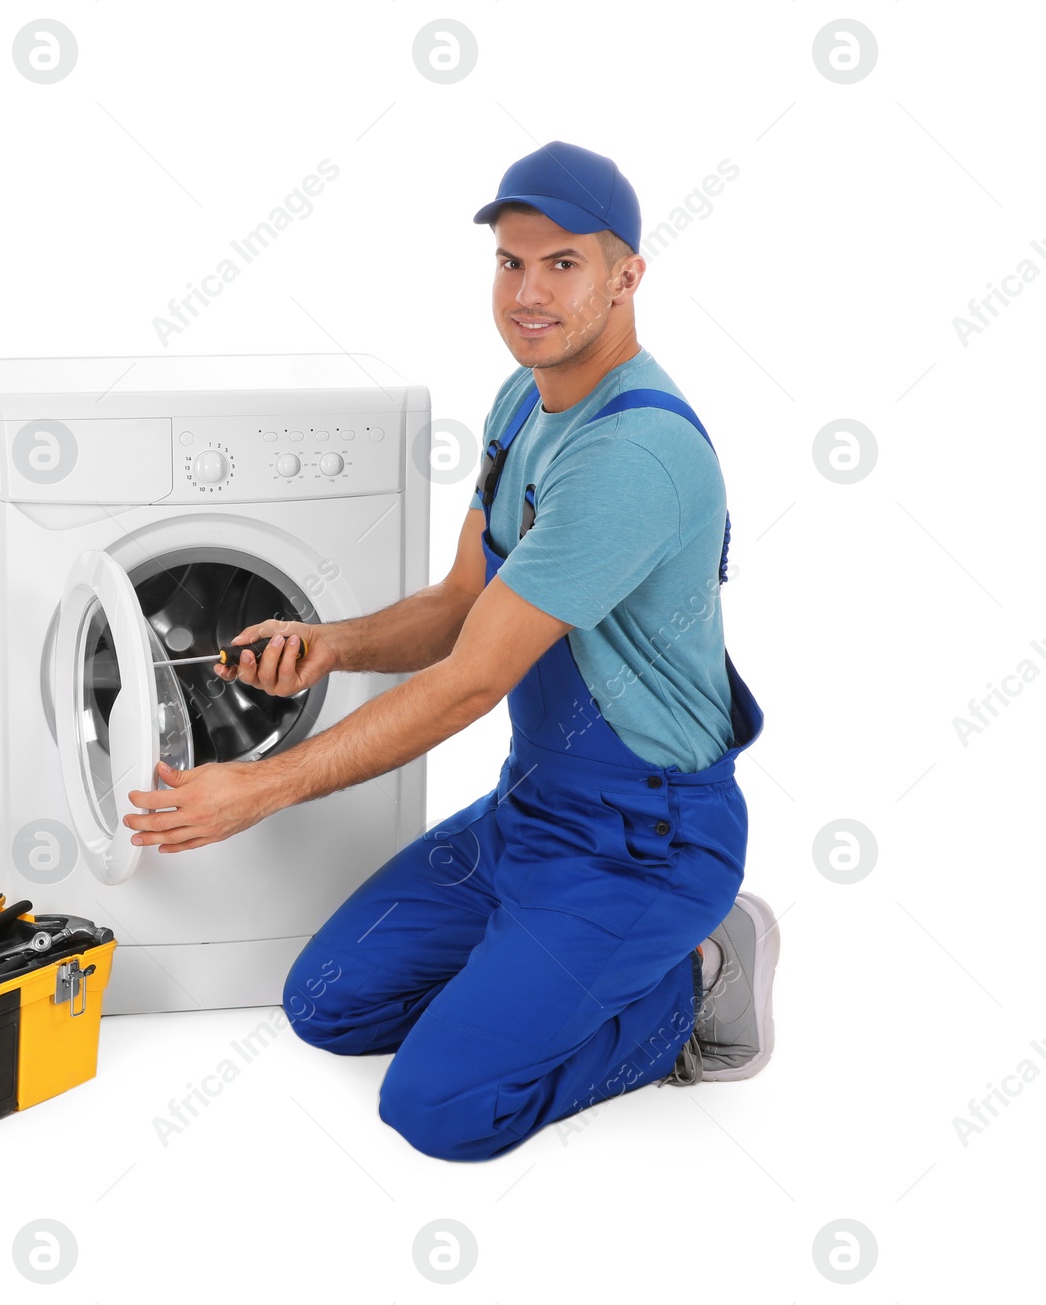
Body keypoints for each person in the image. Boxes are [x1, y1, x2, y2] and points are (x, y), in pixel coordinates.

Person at [124, 141, 780, 1161]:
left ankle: (698, 976)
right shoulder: (526, 403)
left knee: (441, 1109)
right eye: (509, 263)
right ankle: (538, 974)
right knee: (328, 1007)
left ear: (626, 276)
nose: (526, 292)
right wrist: (328, 644)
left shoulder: (633, 454)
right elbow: (460, 603)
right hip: (535, 813)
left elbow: (473, 678)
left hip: (645, 844)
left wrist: (258, 790)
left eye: (561, 263)